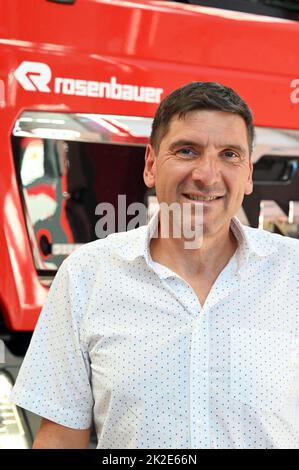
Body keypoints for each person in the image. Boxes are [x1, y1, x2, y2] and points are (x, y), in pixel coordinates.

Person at [10, 82, 299, 449]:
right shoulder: (87, 275)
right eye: (187, 151)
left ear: (248, 176)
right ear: (150, 165)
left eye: (229, 155)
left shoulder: (294, 274)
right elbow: (61, 438)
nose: (207, 175)